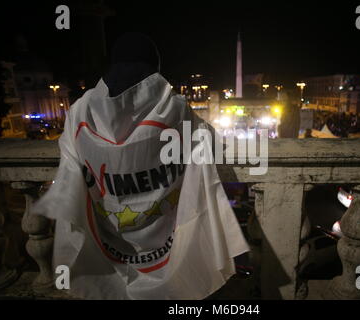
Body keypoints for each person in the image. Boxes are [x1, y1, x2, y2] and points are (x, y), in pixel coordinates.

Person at [32, 33, 249, 300]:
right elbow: (210, 141)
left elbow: (70, 166)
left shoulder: (79, 112)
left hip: (109, 243)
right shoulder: (175, 109)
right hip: (165, 251)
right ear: (154, 66)